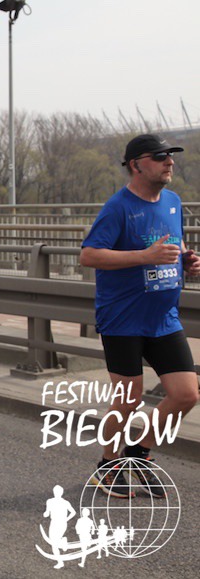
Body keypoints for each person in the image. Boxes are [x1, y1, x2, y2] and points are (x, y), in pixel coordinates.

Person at [81, 133, 200, 499]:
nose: (170, 162)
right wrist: (145, 257)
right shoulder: (118, 207)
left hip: (163, 318)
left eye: (171, 156)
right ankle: (107, 466)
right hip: (123, 319)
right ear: (136, 165)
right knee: (128, 399)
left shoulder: (173, 202)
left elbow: (172, 242)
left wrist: (186, 260)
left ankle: (138, 454)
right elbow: (89, 255)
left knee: (186, 395)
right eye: (160, 157)